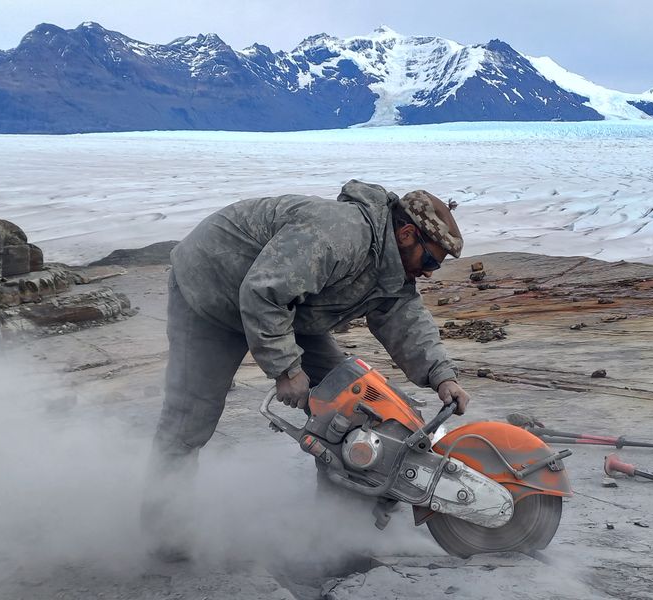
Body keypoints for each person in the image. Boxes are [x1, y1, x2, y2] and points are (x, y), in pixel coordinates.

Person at [141, 180, 471, 554]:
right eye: (429, 261)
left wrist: (442, 375)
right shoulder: (339, 234)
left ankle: (337, 524)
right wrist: (286, 370)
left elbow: (404, 318)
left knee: (353, 404)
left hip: (289, 312)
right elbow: (263, 292)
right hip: (212, 295)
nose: (428, 273)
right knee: (189, 418)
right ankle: (163, 528)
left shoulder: (391, 265)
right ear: (407, 233)